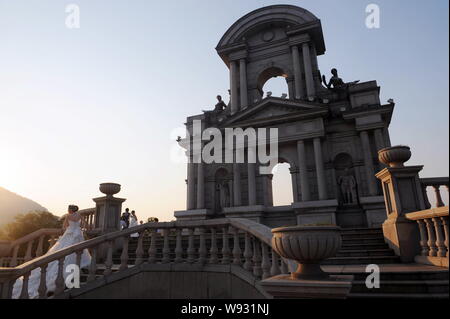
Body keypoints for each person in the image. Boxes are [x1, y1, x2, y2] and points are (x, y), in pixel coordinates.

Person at [12, 205, 91, 299]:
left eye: (68, 209)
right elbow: (86, 225)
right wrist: (80, 228)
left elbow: (64, 226)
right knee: (77, 251)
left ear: (70, 210)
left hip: (69, 234)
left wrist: (68, 228)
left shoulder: (68, 216)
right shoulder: (79, 216)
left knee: (64, 250)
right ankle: (76, 265)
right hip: (78, 234)